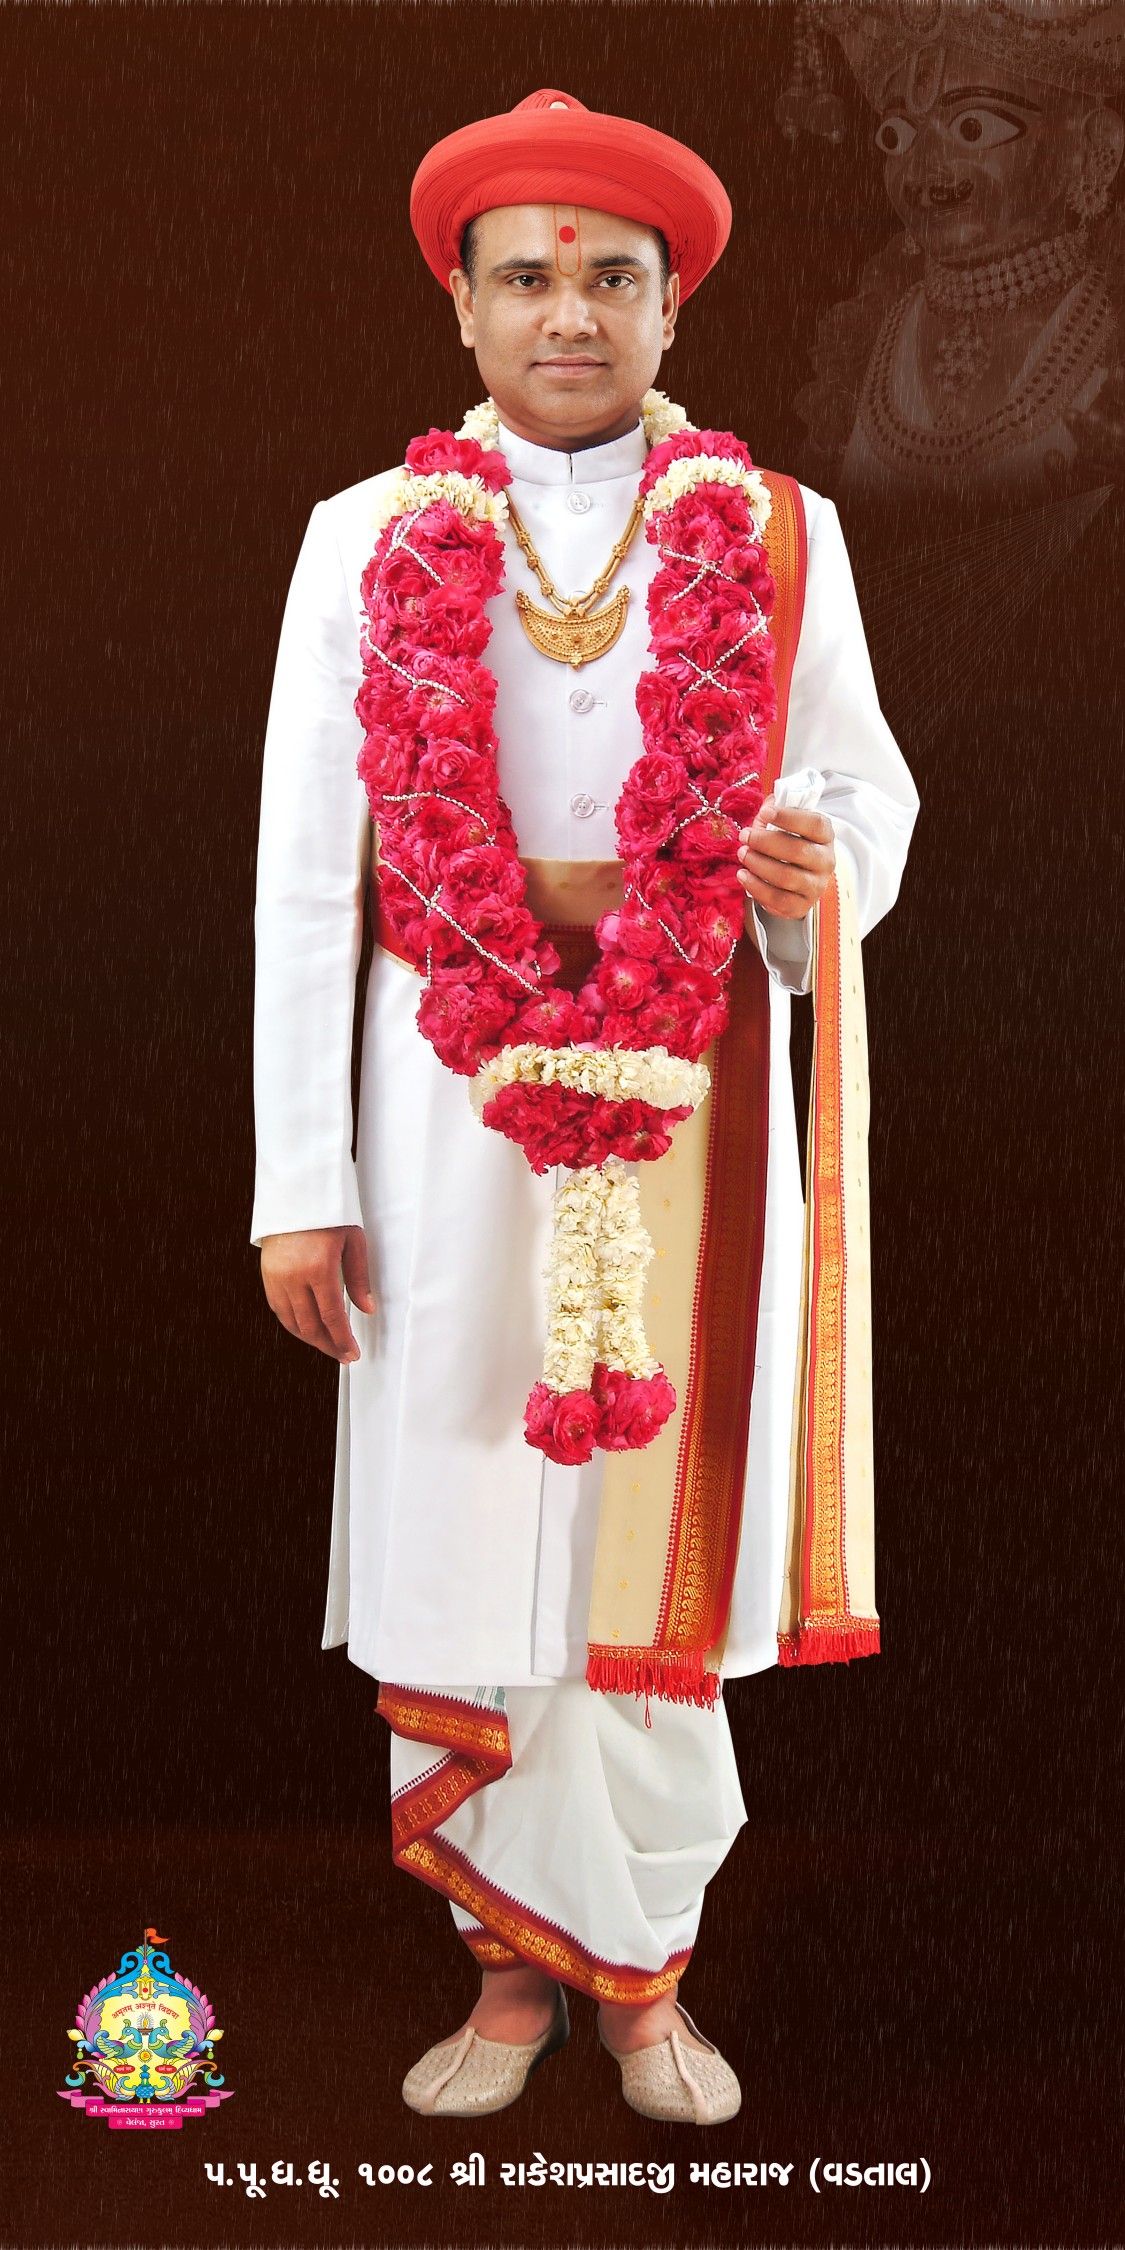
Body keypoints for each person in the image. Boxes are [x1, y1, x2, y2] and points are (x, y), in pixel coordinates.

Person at [250, 86, 921, 2124]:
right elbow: (302, 866)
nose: (567, 312)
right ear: (459, 311)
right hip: (437, 1102)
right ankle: (499, 1973)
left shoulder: (780, 535)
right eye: (524, 277)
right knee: (464, 1503)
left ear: (667, 306)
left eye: (607, 278)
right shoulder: (360, 539)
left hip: (691, 1079)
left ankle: (641, 1976)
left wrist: (815, 891)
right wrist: (300, 1177)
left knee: (659, 1530)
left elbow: (860, 796)